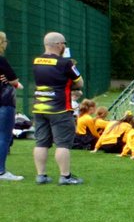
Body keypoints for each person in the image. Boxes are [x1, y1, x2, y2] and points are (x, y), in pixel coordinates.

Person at [31, 32, 84, 184]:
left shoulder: (36, 61)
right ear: (59, 44)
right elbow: (79, 83)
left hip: (39, 107)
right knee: (63, 144)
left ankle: (41, 175)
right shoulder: (65, 63)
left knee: (41, 142)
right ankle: (65, 176)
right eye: (64, 44)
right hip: (60, 108)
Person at [0, 31, 23, 181]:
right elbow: (15, 81)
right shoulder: (1, 60)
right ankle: (1, 171)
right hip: (4, 102)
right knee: (3, 136)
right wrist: (12, 82)